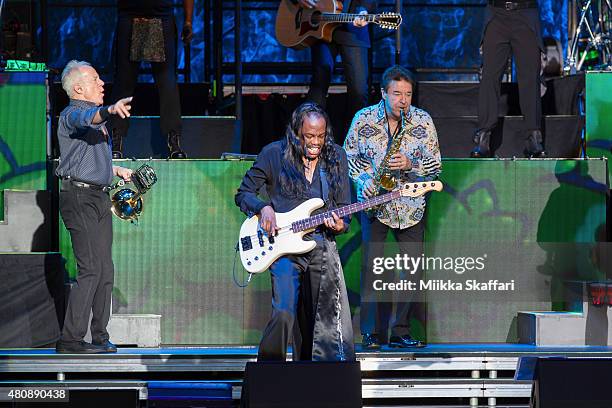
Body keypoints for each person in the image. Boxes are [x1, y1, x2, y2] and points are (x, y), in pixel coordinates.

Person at [235, 102, 355, 362]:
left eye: (320, 136)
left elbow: (344, 209)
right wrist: (262, 208)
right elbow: (243, 193)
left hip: (320, 247)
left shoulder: (336, 157)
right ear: (295, 133)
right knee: (284, 313)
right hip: (283, 250)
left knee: (316, 323)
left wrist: (341, 224)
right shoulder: (274, 154)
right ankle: (269, 373)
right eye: (309, 136)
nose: (315, 143)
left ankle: (307, 381)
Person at [344, 65, 441, 350]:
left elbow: (436, 164)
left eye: (408, 94)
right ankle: (371, 332)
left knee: (411, 270)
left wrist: (412, 165)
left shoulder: (422, 120)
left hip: (410, 205)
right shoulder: (363, 119)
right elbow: (349, 157)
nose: (403, 100)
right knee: (372, 268)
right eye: (397, 93)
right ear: (383, 93)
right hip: (375, 203)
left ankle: (400, 330)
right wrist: (362, 182)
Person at [55, 60, 134, 353]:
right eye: (96, 79)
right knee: (90, 268)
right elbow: (85, 118)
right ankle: (71, 339)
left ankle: (100, 336)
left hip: (98, 196)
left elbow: (83, 158)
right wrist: (109, 110)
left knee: (105, 268)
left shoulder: (94, 121)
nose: (102, 84)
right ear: (78, 88)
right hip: (79, 198)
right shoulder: (73, 113)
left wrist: (114, 170)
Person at [109, 0, 194, 159]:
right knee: (124, 81)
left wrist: (188, 21)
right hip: (130, 15)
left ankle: (174, 140)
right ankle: (115, 140)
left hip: (161, 16)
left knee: (167, 81)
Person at [472, 0, 545, 158]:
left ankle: (533, 137)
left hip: (526, 14)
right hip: (496, 13)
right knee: (489, 77)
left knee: (530, 78)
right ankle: (483, 138)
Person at [300, 0, 376, 135]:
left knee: (359, 90)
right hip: (321, 22)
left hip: (353, 27)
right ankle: (309, 135)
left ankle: (354, 141)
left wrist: (363, 10)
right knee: (319, 82)